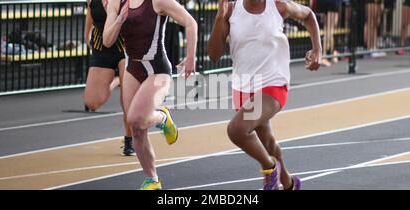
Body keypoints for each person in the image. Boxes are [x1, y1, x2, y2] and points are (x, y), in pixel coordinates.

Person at [208, 0, 321, 190]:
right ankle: (290, 183)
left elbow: (308, 14)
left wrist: (317, 48)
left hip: (273, 84)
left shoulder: (278, 6)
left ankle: (269, 168)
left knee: (236, 130)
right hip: (243, 87)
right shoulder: (231, 10)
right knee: (267, 142)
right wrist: (220, 17)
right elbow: (213, 55)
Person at [103, 0, 197, 190]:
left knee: (136, 118)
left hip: (157, 70)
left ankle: (162, 116)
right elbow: (107, 40)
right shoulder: (116, 2)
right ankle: (152, 179)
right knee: (136, 129)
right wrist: (120, 19)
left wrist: (190, 57)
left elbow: (190, 23)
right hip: (133, 68)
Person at [84, 0, 135, 156]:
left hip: (125, 46)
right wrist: (87, 36)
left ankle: (129, 140)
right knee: (92, 102)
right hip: (102, 47)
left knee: (127, 99)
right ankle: (117, 80)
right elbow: (90, 14)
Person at [312, 0, 342, 66]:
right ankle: (324, 55)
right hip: (332, 3)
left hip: (323, 2)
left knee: (327, 29)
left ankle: (332, 52)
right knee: (329, 30)